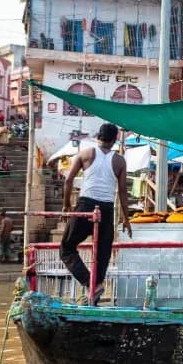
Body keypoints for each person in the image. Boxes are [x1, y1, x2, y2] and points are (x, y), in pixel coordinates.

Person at [61, 123, 131, 305]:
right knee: (103, 252)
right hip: (107, 209)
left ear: (98, 136)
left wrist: (66, 205)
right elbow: (122, 191)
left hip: (86, 206)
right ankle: (96, 285)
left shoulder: (86, 153)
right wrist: (126, 218)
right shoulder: (120, 161)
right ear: (115, 140)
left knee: (66, 248)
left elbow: (68, 180)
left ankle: (90, 284)